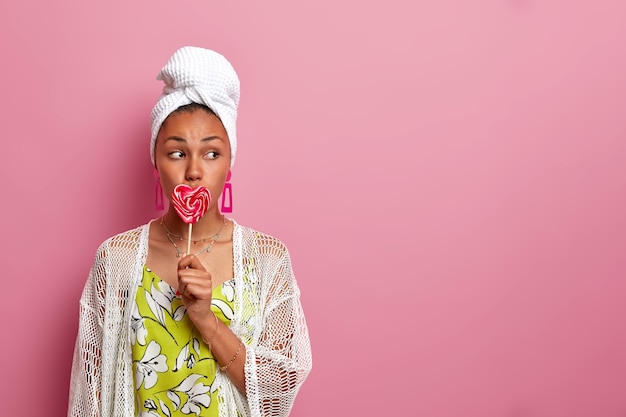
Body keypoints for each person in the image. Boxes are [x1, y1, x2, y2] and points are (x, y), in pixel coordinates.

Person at [68, 46, 312, 417]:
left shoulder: (266, 258)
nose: (195, 171)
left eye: (212, 153)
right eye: (177, 153)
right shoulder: (115, 258)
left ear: (230, 163)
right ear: (156, 160)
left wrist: (206, 320)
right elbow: (91, 394)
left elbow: (277, 391)